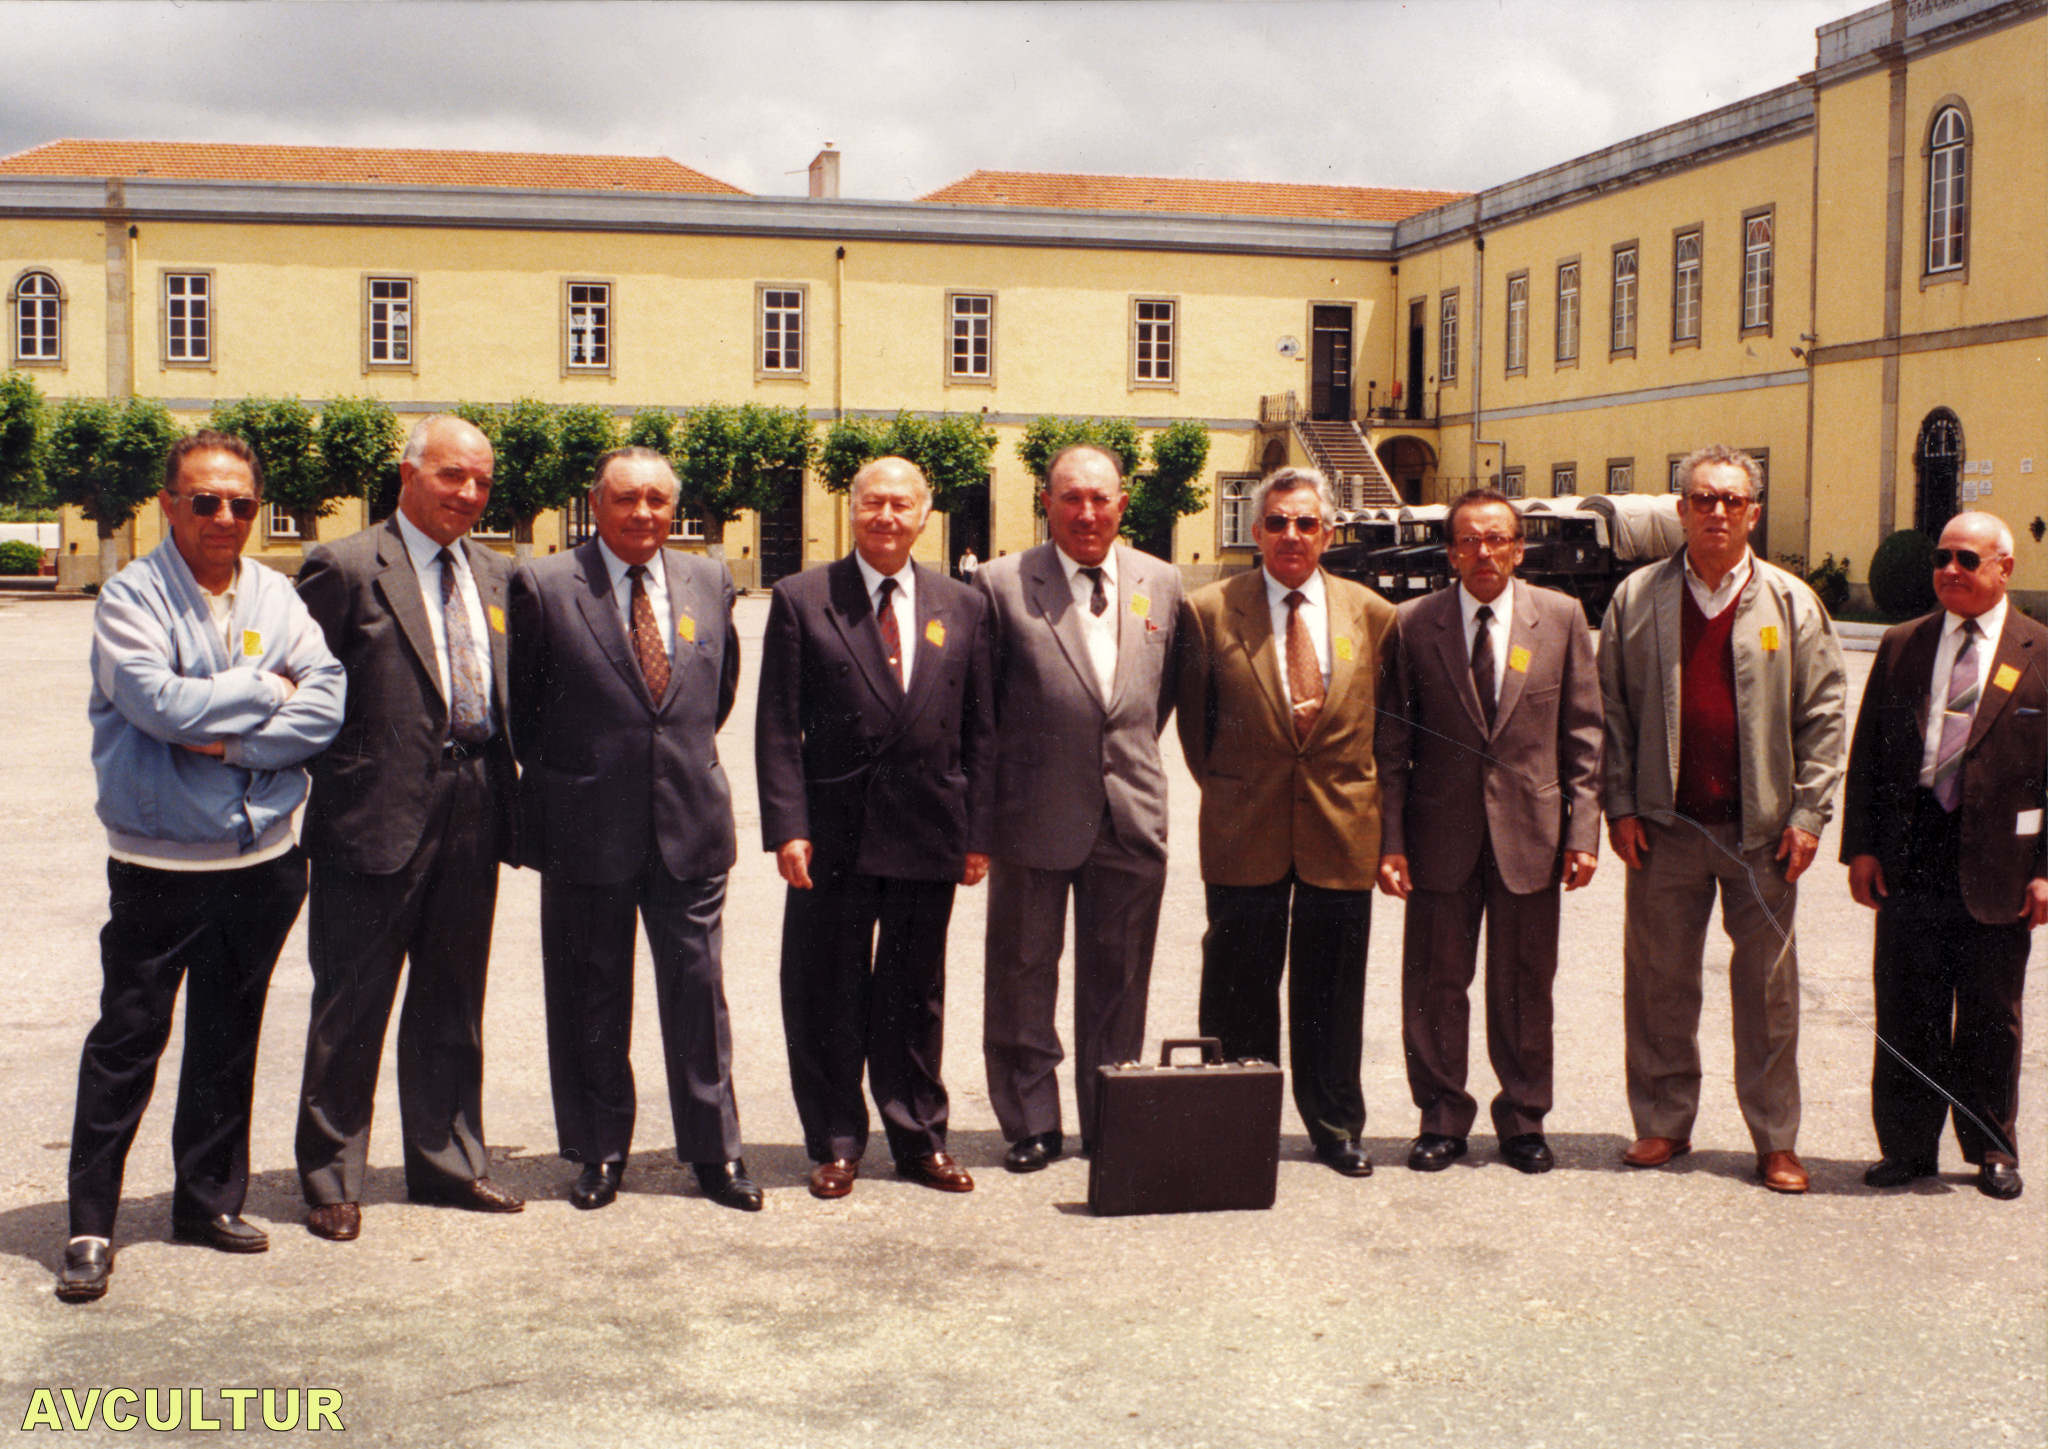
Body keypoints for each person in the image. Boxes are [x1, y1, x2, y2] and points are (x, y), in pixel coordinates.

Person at [57, 431, 345, 1303]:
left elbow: (327, 699)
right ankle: (89, 1224)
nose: (224, 516)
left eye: (241, 503)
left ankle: (207, 1200)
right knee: (128, 1039)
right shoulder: (131, 597)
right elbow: (157, 703)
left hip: (262, 856)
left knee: (229, 1033)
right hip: (160, 860)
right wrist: (265, 689)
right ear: (169, 504)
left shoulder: (275, 593)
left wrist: (227, 741)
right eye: (204, 500)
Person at [508, 447, 759, 1213]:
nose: (643, 512)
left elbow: (715, 694)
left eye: (657, 498)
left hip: (689, 821)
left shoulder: (709, 579)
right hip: (586, 825)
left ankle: (715, 1152)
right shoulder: (546, 583)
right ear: (595, 503)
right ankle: (599, 1149)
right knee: (589, 995)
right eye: (626, 498)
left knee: (699, 995)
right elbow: (525, 713)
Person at [292, 414, 524, 1241]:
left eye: (481, 481)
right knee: (351, 1003)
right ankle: (330, 1176)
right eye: (451, 475)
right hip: (374, 814)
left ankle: (447, 1161)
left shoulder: (497, 574)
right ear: (408, 473)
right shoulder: (346, 566)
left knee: (453, 997)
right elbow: (298, 688)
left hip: (475, 803)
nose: (468, 492)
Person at [1598, 444, 1845, 1193]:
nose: (1716, 511)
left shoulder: (1791, 602)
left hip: (1761, 836)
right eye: (1702, 498)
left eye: (1731, 500)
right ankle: (1663, 1121)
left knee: (1769, 993)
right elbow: (1611, 712)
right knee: (1659, 982)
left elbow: (1825, 714)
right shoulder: (1636, 598)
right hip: (1666, 828)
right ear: (1680, 509)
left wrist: (1808, 813)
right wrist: (1620, 804)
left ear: (1753, 513)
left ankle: (1775, 1140)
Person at [756, 457, 995, 1199]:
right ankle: (835, 1140)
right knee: (828, 986)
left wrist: (978, 831)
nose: (886, 517)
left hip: (929, 824)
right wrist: (787, 826)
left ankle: (919, 1136)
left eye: (901, 504)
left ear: (924, 514)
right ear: (851, 509)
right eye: (872, 503)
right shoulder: (803, 598)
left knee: (915, 991)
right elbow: (777, 726)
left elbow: (982, 729)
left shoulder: (963, 604)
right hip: (836, 830)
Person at [1376, 488, 1603, 1175]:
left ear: (1519, 548)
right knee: (1435, 984)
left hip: (1531, 835)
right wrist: (1391, 840)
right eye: (1469, 540)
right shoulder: (1413, 623)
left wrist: (1582, 832)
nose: (1484, 552)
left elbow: (1584, 735)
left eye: (1497, 539)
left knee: (1525, 985)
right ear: (1450, 553)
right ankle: (1441, 1117)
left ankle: (1524, 1119)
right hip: (1439, 835)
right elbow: (1391, 745)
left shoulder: (1561, 618)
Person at [1177, 466, 1397, 1175]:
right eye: (1276, 522)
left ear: (1328, 533)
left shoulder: (1373, 614)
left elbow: (1386, 730)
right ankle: (1238, 1126)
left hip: (1342, 825)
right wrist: (1238, 788)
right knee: (1238, 984)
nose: (1291, 535)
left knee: (1333, 987)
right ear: (1256, 531)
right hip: (1244, 825)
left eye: (1306, 523)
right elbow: (1196, 730)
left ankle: (1335, 1125)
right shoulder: (1209, 611)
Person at [975, 444, 1182, 1171]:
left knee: (1120, 979)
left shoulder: (1162, 582)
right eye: (1071, 498)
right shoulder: (1000, 583)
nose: (1087, 513)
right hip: (1033, 813)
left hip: (1130, 813)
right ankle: (1032, 1121)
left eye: (1100, 498)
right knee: (1022, 972)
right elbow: (982, 710)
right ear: (1046, 503)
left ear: (1122, 503)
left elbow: (1158, 696)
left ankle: (1108, 1116)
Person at [1841, 511, 2047, 1201]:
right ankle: (1906, 1147)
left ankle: (1992, 1146)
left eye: (1966, 559)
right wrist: (1862, 848)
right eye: (1941, 558)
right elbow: (1869, 755)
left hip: (2001, 859)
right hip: (1914, 847)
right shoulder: (1903, 643)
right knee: (1907, 1005)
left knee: (1992, 1011)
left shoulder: (2039, 650)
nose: (1950, 570)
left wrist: (2046, 871)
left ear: (2004, 569)